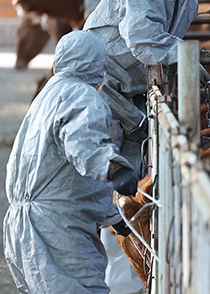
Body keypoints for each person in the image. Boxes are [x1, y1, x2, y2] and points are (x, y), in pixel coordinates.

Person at [83, 0, 210, 179]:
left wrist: (182, 65)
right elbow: (142, 37)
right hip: (102, 77)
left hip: (133, 85)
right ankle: (103, 212)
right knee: (103, 155)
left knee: (136, 149)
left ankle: (127, 211)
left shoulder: (189, 2)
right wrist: (183, 58)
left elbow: (162, 47)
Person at [3, 31, 139, 293]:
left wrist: (113, 217)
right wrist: (115, 168)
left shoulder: (49, 94)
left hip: (22, 223)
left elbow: (61, 175)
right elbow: (83, 143)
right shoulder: (81, 96)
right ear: (97, 66)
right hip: (56, 230)